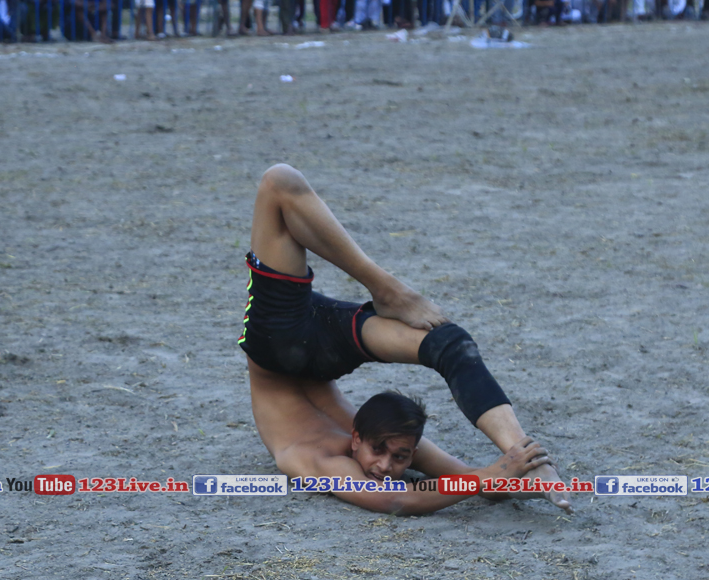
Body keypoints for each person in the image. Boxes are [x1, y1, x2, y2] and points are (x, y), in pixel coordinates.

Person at [240, 164, 574, 515]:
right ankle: (387, 288)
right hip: (287, 345)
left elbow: (475, 483)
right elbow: (398, 499)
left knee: (448, 343)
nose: (385, 467)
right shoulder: (321, 460)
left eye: (400, 458)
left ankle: (538, 466)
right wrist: (495, 475)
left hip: (290, 347)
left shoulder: (384, 441)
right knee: (280, 181)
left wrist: (512, 474)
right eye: (381, 452)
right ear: (357, 439)